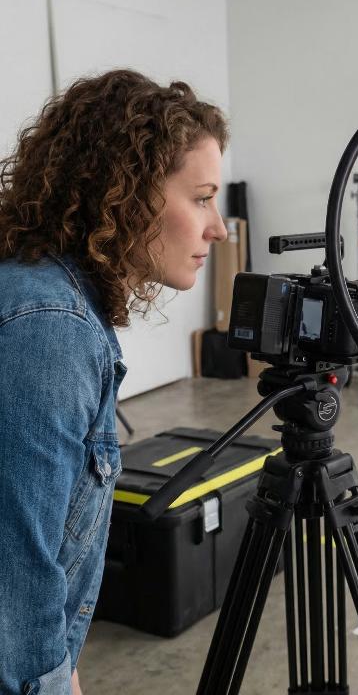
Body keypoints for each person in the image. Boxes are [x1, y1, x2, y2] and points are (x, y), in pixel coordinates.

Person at [0, 70, 229, 694]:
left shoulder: (48, 298)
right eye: (201, 198)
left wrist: (64, 669)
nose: (218, 228)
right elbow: (15, 583)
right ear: (126, 193)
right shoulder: (50, 327)